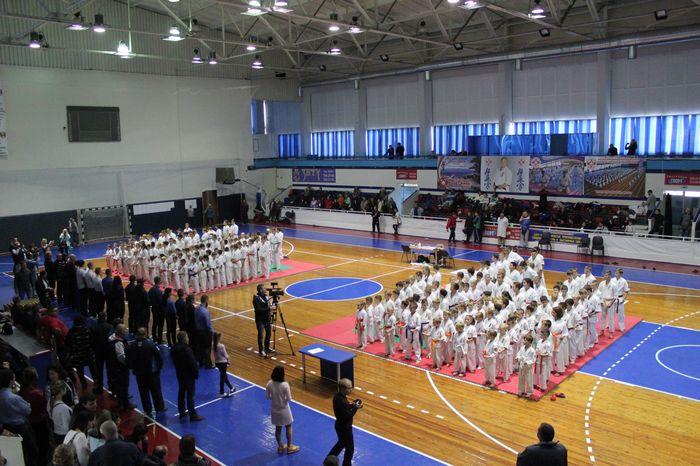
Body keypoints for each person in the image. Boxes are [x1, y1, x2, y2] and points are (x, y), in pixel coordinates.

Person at [0, 368, 38, 466]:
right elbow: (28, 410)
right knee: (31, 452)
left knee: (15, 453)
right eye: (14, 378)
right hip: (21, 428)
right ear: (11, 381)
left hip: (6, 428)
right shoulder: (14, 398)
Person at [125, 327, 165, 418]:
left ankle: (147, 409)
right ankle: (159, 407)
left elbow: (128, 359)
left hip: (139, 373)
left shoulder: (131, 346)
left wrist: (133, 368)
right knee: (156, 391)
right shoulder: (151, 345)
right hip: (152, 373)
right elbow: (159, 357)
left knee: (143, 392)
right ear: (146, 334)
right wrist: (159, 368)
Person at [327, 378, 362, 466]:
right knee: (350, 449)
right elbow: (348, 416)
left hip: (340, 426)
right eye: (349, 388)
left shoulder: (338, 397)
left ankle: (328, 461)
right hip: (345, 428)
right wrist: (355, 408)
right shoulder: (341, 401)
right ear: (343, 388)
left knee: (341, 444)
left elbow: (344, 409)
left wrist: (352, 405)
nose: (351, 389)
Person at [265, 366, 300, 455]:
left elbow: (267, 397)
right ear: (282, 375)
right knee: (288, 426)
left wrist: (275, 398)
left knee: (278, 428)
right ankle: (289, 446)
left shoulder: (269, 383)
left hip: (275, 409)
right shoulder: (285, 384)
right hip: (284, 409)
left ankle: (280, 446)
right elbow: (289, 399)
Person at [19, 367, 51, 463]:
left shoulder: (22, 391)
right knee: (43, 443)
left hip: (30, 421)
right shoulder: (37, 393)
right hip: (39, 421)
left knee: (37, 441)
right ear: (34, 378)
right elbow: (45, 406)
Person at [171, 332, 204, 422]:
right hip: (188, 375)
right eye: (187, 337)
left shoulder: (174, 348)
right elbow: (192, 363)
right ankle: (193, 415)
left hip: (179, 373)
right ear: (184, 339)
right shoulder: (187, 349)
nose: (188, 339)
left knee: (181, 392)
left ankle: (181, 412)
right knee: (190, 395)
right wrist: (196, 373)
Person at [67, 315, 96, 391]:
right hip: (88, 354)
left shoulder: (71, 332)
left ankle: (84, 383)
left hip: (78, 356)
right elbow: (93, 340)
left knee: (80, 370)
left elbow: (68, 343)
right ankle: (95, 381)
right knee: (92, 368)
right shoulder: (88, 329)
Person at [253, 284, 273, 357]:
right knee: (261, 335)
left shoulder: (266, 296)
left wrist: (271, 306)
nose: (266, 289)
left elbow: (268, 305)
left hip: (267, 318)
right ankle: (261, 350)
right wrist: (269, 309)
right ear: (261, 290)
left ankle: (267, 348)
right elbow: (258, 310)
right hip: (260, 320)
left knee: (268, 334)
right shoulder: (256, 298)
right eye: (264, 288)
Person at [213, 332, 236, 397]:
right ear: (218, 338)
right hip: (223, 363)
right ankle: (222, 393)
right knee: (222, 378)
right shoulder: (221, 346)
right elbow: (226, 355)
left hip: (217, 363)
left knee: (224, 376)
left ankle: (231, 387)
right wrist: (229, 361)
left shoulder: (213, 345)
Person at [193, 295, 213, 368]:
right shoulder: (205, 311)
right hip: (205, 332)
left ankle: (200, 362)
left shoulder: (196, 308)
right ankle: (208, 364)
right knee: (207, 348)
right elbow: (208, 324)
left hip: (198, 331)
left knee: (200, 347)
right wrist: (211, 332)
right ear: (206, 301)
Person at [148, 277, 164, 344]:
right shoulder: (159, 291)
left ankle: (154, 337)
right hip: (159, 310)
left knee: (154, 323)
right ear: (159, 282)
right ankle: (159, 339)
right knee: (160, 325)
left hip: (153, 308)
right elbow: (161, 302)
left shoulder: (151, 289)